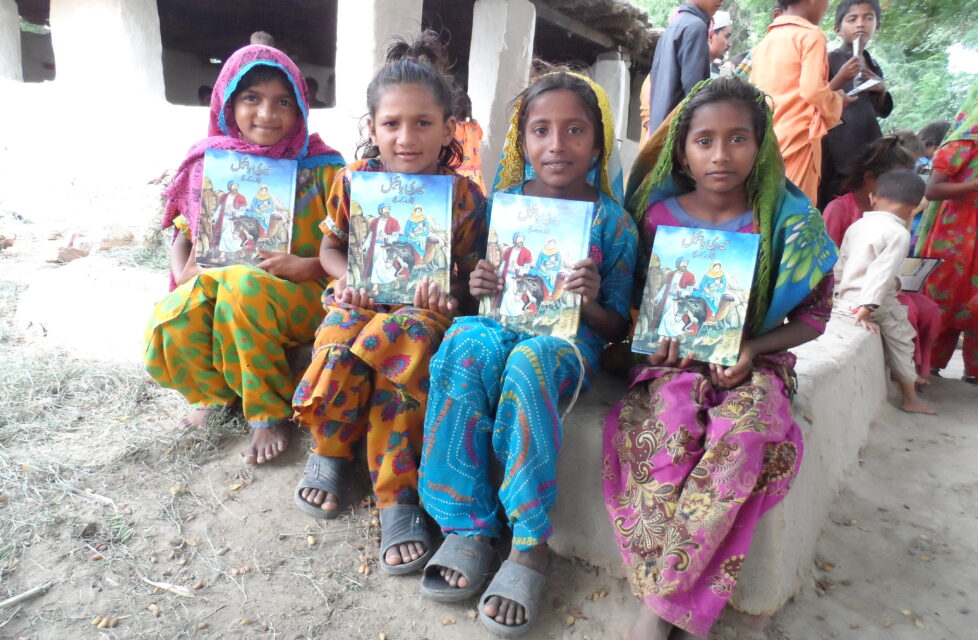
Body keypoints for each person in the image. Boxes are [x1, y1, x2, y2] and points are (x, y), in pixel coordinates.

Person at [603, 76, 837, 640]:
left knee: (746, 436)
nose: (720, 154)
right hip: (672, 367)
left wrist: (753, 347)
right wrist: (654, 343)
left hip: (754, 365)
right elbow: (637, 305)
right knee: (669, 430)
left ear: (761, 145)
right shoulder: (656, 218)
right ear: (681, 151)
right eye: (704, 140)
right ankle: (680, 602)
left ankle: (658, 610)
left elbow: (815, 315)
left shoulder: (788, 222)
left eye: (738, 138)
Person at [417, 70, 638, 637]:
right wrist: (481, 281)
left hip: (567, 342)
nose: (557, 145)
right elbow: (475, 290)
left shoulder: (613, 222)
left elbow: (617, 326)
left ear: (598, 142)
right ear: (522, 140)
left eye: (574, 130)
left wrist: (589, 301)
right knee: (465, 341)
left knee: (529, 361)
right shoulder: (507, 203)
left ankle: (529, 542)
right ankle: (466, 523)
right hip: (503, 323)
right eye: (541, 130)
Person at [289, 33, 487, 575]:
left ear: (449, 129)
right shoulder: (353, 181)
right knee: (337, 335)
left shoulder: (466, 197)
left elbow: (472, 273)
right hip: (361, 297)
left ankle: (395, 495)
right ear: (372, 127)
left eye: (423, 123)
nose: (406, 137)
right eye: (392, 124)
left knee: (412, 343)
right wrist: (347, 275)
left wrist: (451, 293)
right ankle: (330, 449)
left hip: (425, 311)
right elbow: (330, 247)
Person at [144, 45, 345, 464]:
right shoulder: (212, 163)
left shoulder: (326, 167)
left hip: (302, 293)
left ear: (301, 107)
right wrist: (185, 272)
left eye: (283, 102)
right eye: (252, 98)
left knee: (244, 285)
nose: (267, 114)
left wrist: (307, 265)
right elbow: (184, 230)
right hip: (225, 284)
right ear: (228, 101)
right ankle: (215, 394)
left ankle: (268, 412)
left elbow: (350, 243)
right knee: (175, 314)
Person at [822, 135, 940, 377]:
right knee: (909, 311)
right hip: (855, 291)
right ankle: (903, 377)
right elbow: (829, 261)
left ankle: (921, 370)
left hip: (885, 288)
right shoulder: (841, 209)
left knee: (930, 309)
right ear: (870, 180)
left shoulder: (900, 217)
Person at [834, 169, 936, 414]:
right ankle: (910, 397)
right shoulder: (898, 233)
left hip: (844, 299)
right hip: (873, 304)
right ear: (914, 208)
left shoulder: (857, 225)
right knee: (903, 339)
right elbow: (882, 273)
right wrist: (868, 308)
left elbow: (841, 265)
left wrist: (837, 297)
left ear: (872, 197)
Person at [750, 0, 859, 204]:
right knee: (795, 217)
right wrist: (838, 100)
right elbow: (812, 91)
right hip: (797, 140)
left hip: (766, 141)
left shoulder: (766, 42)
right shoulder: (810, 36)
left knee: (766, 211)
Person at [915, 82, 978, 383]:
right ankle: (928, 366)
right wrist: (973, 187)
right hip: (954, 237)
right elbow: (932, 189)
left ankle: (973, 371)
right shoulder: (964, 143)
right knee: (945, 298)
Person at [817, 0, 894, 209]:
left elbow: (878, 110)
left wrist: (881, 89)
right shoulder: (829, 59)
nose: (860, 24)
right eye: (852, 19)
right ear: (838, 29)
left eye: (868, 18)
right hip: (837, 150)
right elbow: (817, 99)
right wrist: (841, 78)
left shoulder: (872, 64)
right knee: (836, 209)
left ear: (877, 26)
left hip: (868, 146)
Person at [640, 9, 732, 145]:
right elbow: (650, 120)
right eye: (727, 36)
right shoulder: (659, 75)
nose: (728, 43)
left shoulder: (719, 74)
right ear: (711, 36)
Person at [452, 89, 487, 194]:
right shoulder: (475, 125)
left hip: (456, 176)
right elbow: (480, 136)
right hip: (475, 176)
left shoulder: (451, 128)